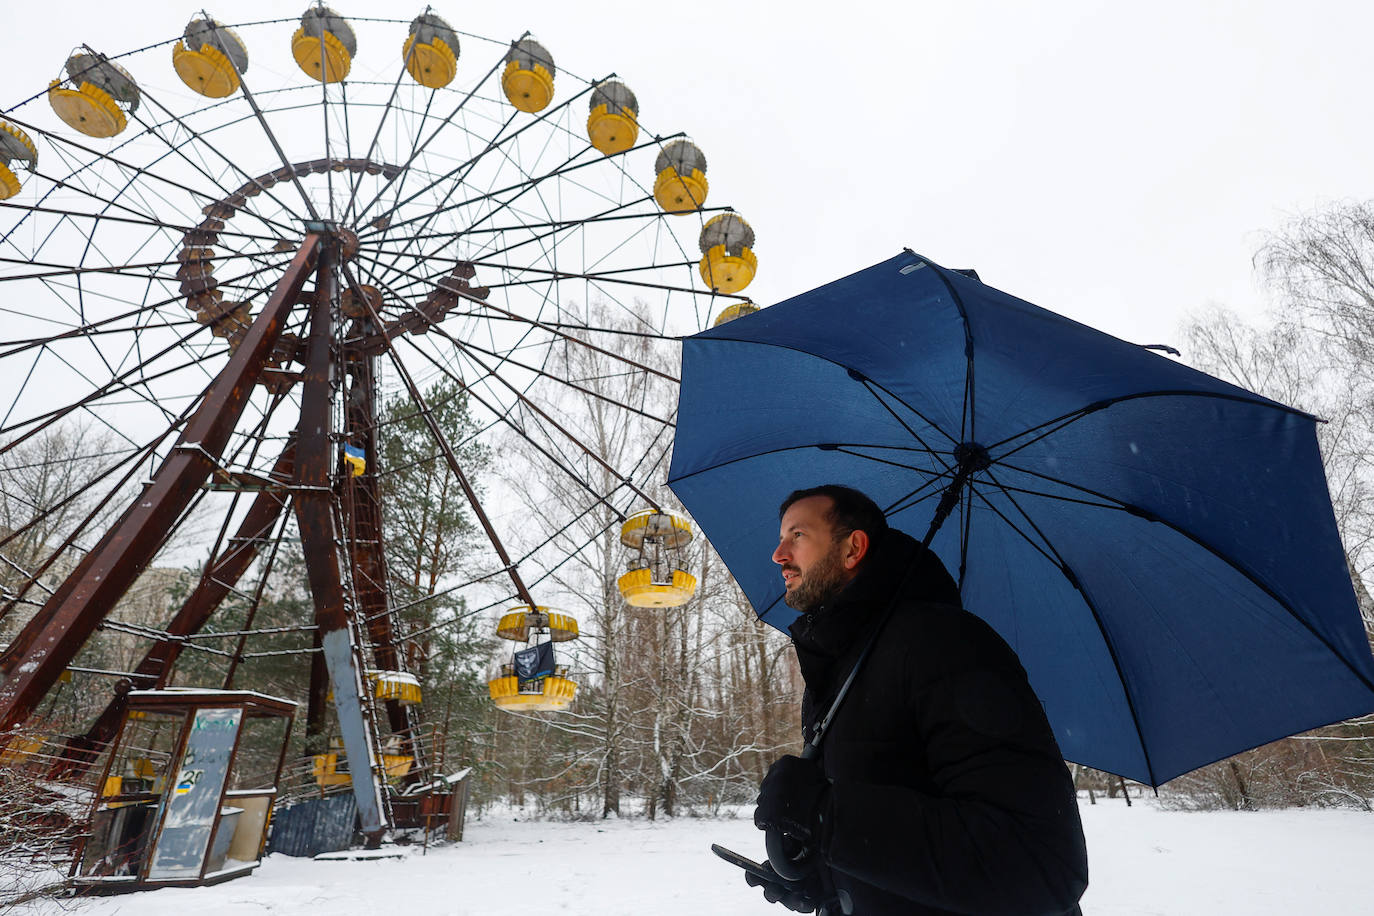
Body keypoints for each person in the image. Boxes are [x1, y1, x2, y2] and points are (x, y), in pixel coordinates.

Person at [747, 484, 1088, 915]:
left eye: (797, 535)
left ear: (853, 548)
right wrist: (822, 876)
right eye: (781, 538)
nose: (779, 554)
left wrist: (828, 819)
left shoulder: (948, 643)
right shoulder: (839, 670)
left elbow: (1040, 862)